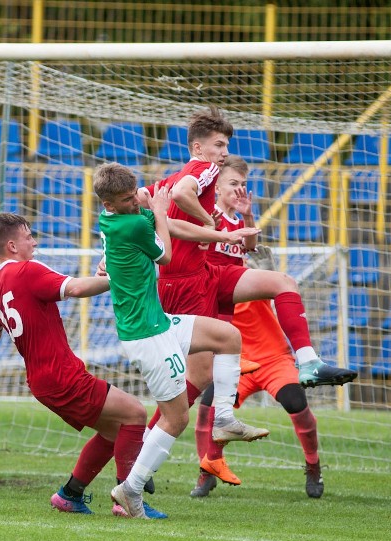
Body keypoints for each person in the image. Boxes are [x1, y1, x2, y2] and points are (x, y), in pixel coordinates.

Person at [142, 106, 356, 487]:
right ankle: (146, 453)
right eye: (219, 145)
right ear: (200, 148)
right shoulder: (200, 173)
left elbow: (160, 203)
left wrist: (151, 204)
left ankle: (305, 363)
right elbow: (179, 195)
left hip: (209, 281)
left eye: (227, 146)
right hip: (186, 285)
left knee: (281, 284)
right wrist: (211, 225)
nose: (223, 153)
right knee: (194, 382)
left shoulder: (220, 204)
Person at [94, 162, 266, 520]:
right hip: (147, 334)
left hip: (157, 322)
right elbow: (167, 254)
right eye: (126, 199)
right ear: (110, 204)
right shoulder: (129, 224)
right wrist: (157, 209)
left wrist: (148, 205)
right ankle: (131, 489)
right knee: (176, 420)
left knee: (228, 335)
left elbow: (155, 219)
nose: (132, 203)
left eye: (133, 195)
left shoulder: (115, 217)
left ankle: (222, 418)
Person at [0, 212, 165, 518]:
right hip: (60, 375)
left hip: (42, 381)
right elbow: (75, 289)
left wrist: (102, 277)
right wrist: (120, 277)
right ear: (12, 245)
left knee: (112, 431)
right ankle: (128, 499)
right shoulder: (26, 271)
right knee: (135, 413)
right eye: (28, 237)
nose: (34, 241)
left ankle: (70, 494)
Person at [190, 156, 325, 499]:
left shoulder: (247, 277)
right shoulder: (210, 274)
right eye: (232, 182)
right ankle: (206, 469)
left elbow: (251, 250)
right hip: (236, 360)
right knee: (208, 408)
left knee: (296, 402)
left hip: (272, 358)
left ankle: (313, 466)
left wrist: (246, 220)